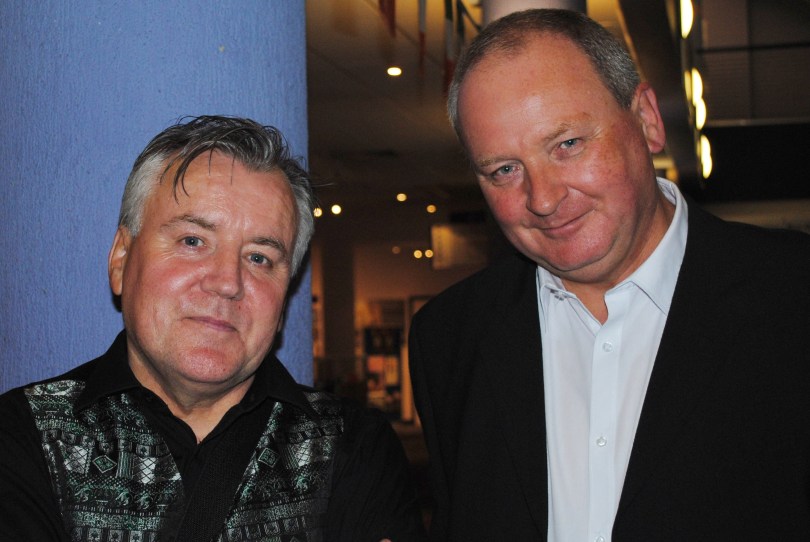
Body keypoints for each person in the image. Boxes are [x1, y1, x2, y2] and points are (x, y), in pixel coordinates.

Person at [408, 8, 810, 541]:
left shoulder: (792, 296)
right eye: (504, 170)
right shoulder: (449, 337)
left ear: (646, 118)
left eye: (567, 145)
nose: (543, 198)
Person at [0, 116, 425, 541]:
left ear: (284, 297)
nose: (227, 282)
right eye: (192, 241)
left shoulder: (353, 447)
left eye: (259, 258)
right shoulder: (23, 436)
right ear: (121, 260)